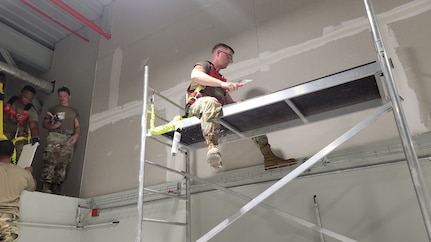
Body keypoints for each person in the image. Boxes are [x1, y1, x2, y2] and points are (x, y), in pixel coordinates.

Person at [186, 43, 296, 169]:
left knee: (247, 114)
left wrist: (240, 104)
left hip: (215, 113)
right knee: (211, 101)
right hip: (197, 108)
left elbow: (230, 103)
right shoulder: (205, 66)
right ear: (218, 53)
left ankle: (269, 158)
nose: (230, 61)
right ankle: (212, 149)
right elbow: (195, 75)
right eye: (229, 56)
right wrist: (222, 85)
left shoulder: (221, 79)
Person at [41, 87, 80, 194]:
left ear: (69, 97)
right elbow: (45, 124)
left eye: (64, 96)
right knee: (50, 160)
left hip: (68, 137)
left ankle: (56, 187)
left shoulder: (74, 111)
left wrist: (76, 135)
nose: (62, 98)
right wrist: (53, 125)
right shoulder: (53, 108)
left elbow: (77, 126)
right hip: (55, 135)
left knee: (63, 163)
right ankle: (46, 185)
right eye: (60, 96)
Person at [0, 140, 36, 242]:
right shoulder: (24, 174)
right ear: (12, 154)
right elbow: (32, 187)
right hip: (8, 220)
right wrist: (28, 173)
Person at [3, 85, 40, 164]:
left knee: (21, 153)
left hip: (18, 136)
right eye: (25, 97)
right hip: (3, 131)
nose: (27, 100)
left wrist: (35, 138)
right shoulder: (9, 100)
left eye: (30, 99)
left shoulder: (31, 110)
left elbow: (34, 126)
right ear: (21, 94)